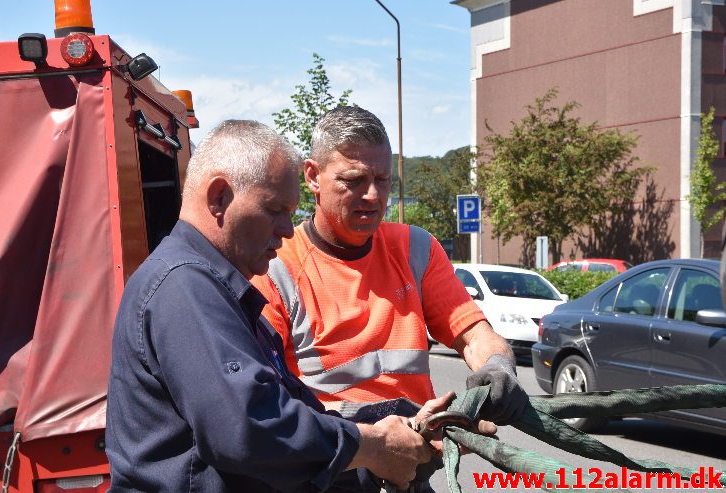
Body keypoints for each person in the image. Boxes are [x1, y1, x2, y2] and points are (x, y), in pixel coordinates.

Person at [105, 119, 450, 492]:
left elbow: (286, 409)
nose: (288, 229)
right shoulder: (185, 285)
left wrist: (396, 422)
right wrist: (374, 446)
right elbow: (250, 428)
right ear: (219, 197)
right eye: (274, 210)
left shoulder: (216, 287)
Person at [252, 106, 528, 430]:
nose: (372, 195)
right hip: (332, 469)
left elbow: (473, 337)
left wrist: (497, 366)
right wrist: (382, 436)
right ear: (312, 176)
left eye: (382, 180)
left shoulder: (416, 249)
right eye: (354, 180)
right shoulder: (275, 265)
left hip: (413, 466)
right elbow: (265, 403)